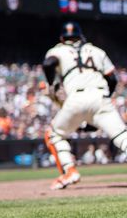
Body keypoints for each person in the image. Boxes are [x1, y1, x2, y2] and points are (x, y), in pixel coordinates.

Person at [42, 22, 126, 190]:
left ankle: (69, 171)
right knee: (122, 136)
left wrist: (52, 84)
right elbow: (112, 79)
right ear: (81, 37)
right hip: (101, 96)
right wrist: (104, 100)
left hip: (76, 99)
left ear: (62, 38)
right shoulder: (97, 51)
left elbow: (48, 64)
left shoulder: (57, 50)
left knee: (54, 135)